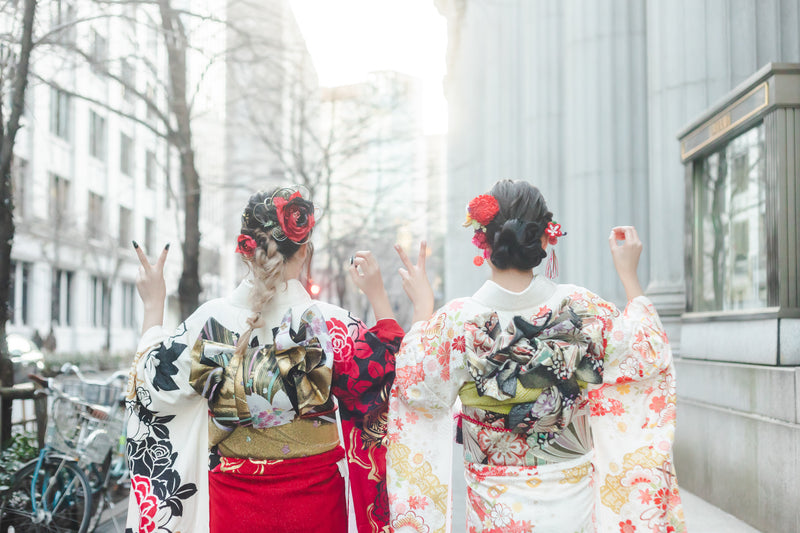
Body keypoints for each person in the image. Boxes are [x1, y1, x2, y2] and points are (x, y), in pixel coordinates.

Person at [386, 180, 687, 533]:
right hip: (572, 502)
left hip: (494, 506)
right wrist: (629, 275)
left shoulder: (456, 322)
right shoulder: (580, 308)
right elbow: (647, 354)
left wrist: (423, 311)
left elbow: (417, 389)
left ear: (482, 242)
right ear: (545, 240)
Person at [126, 187, 404, 533]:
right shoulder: (330, 325)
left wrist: (154, 304)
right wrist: (377, 295)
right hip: (315, 504)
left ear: (246, 249)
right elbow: (392, 377)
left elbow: (151, 386)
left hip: (234, 504)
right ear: (305, 252)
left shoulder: (210, 321)